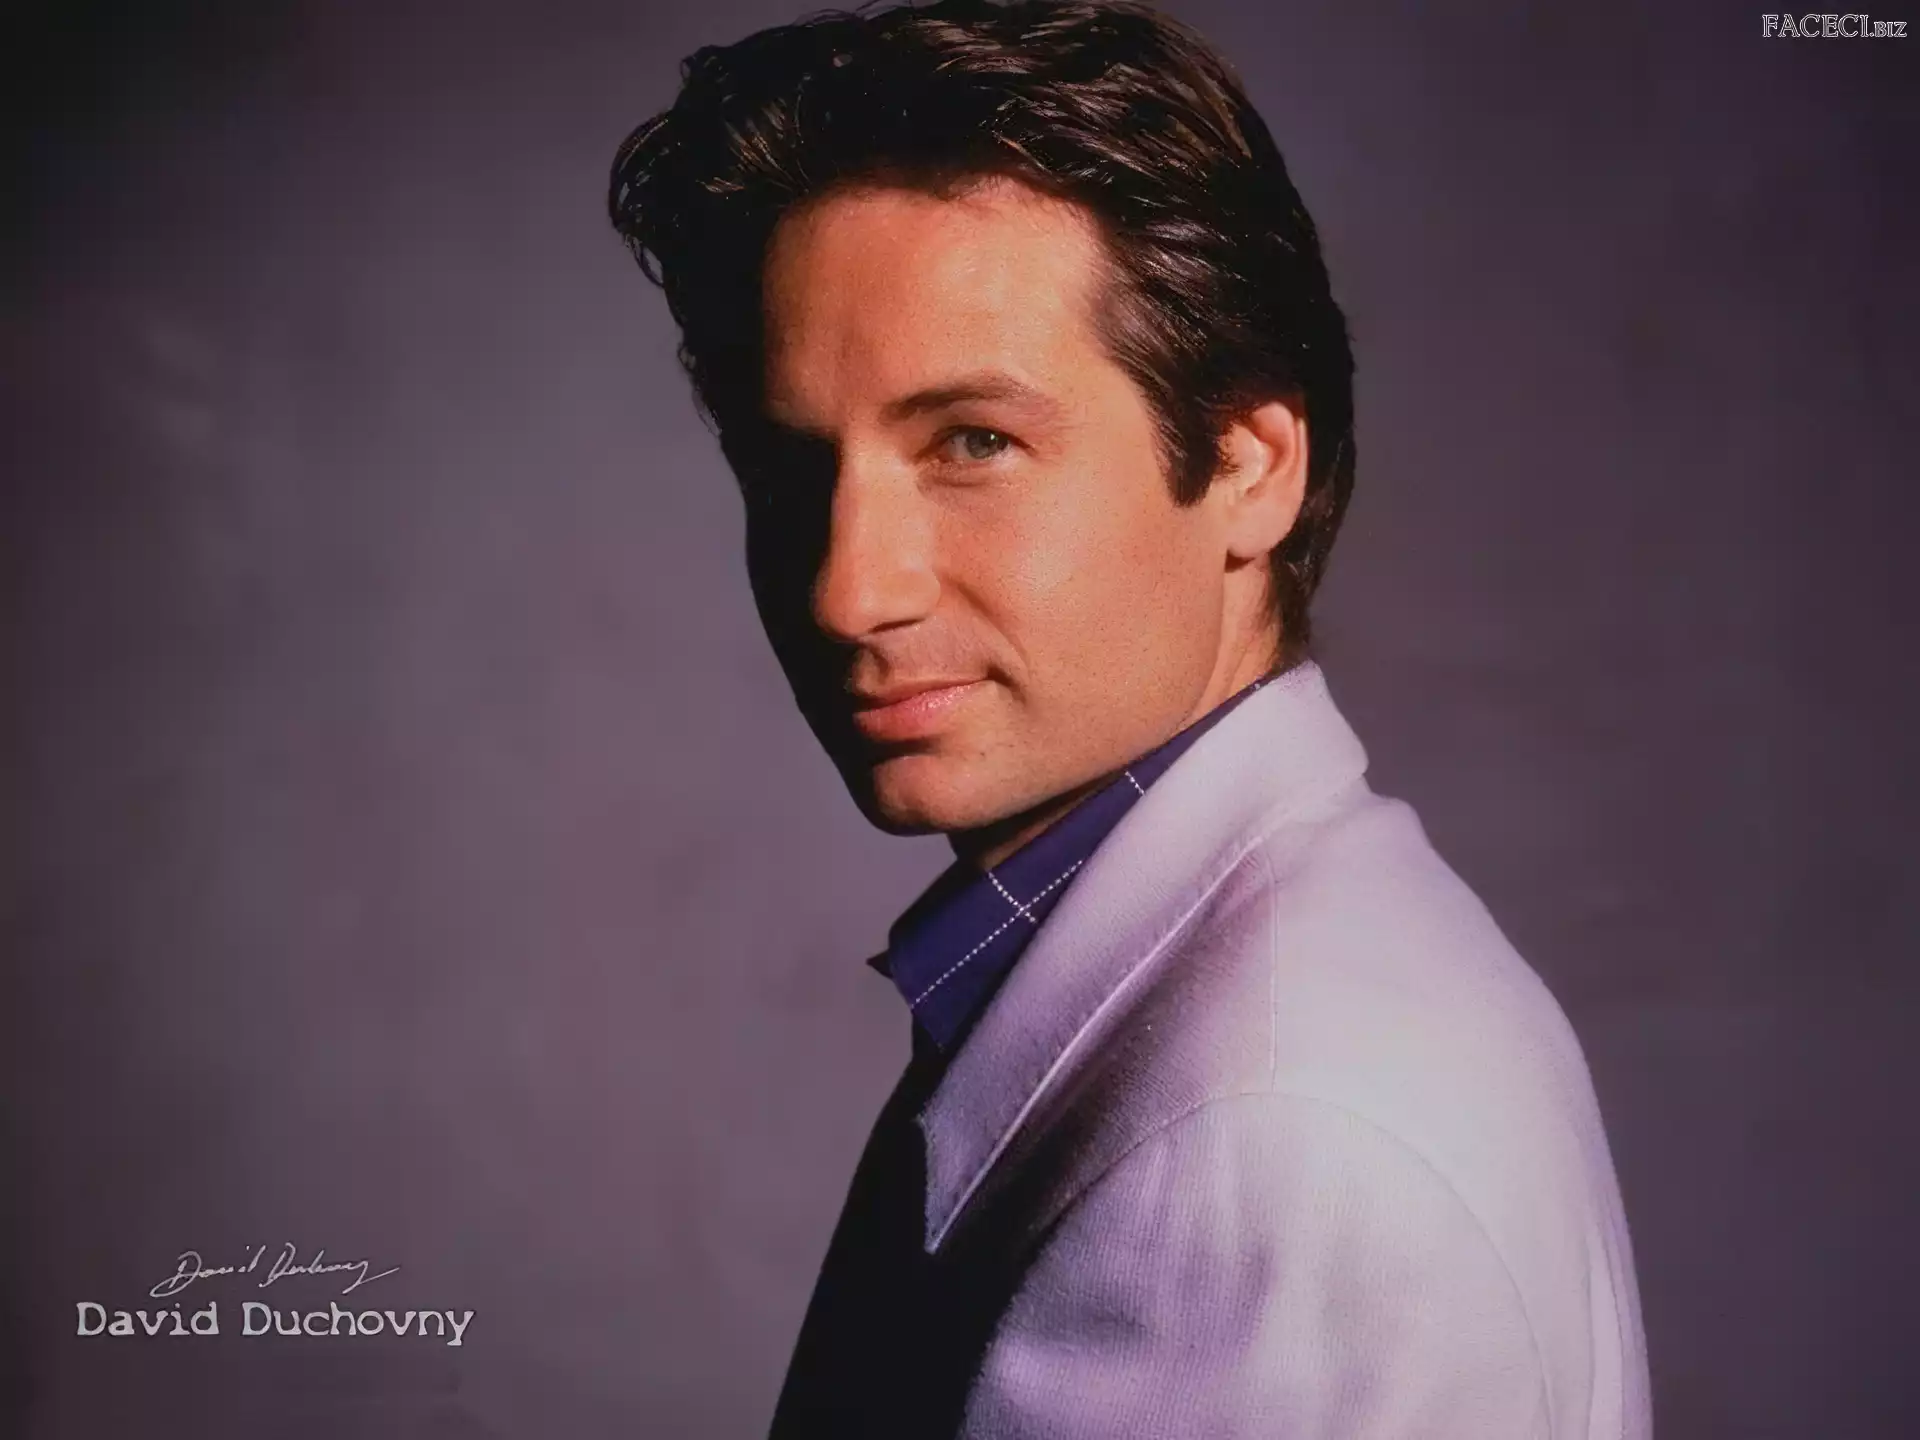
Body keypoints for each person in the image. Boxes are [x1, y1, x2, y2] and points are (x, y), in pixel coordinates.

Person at [607, 2, 1651, 1434]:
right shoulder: (1275, 986)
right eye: (793, 470)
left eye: (974, 442)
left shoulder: (1265, 1151)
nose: (848, 590)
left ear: (1249, 468)